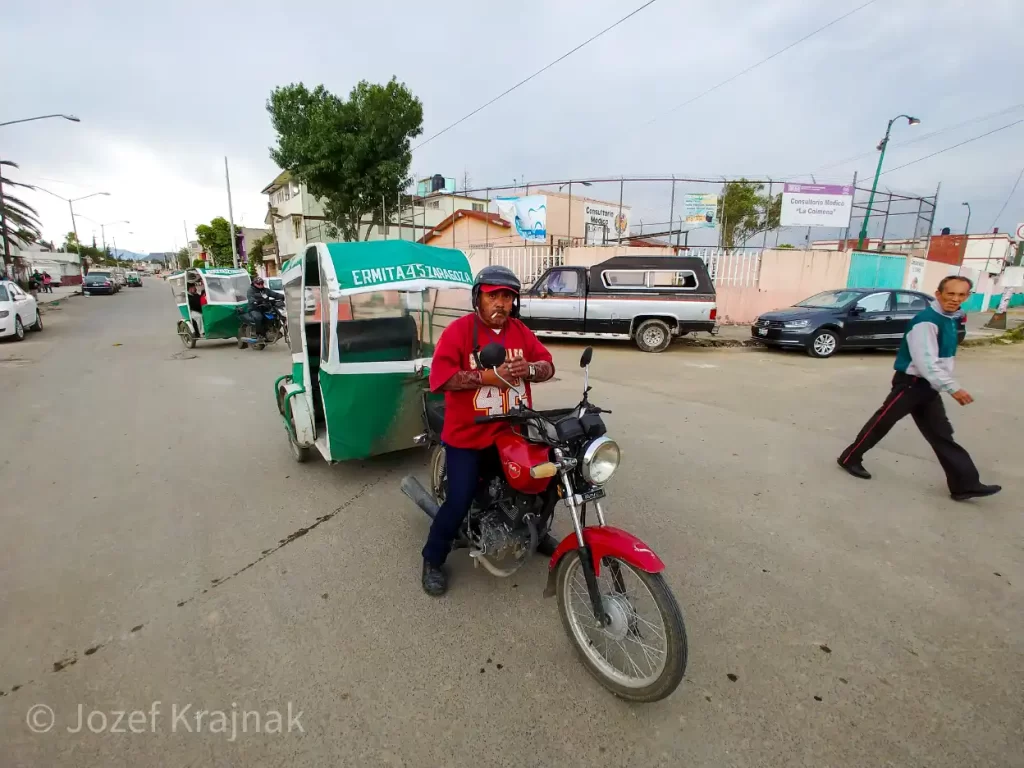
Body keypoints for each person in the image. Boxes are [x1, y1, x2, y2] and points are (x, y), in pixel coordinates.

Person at [421, 265, 556, 596]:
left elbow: (548, 365)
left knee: (542, 480)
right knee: (459, 499)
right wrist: (485, 377)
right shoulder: (459, 332)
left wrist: (533, 369)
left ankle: (535, 531)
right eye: (493, 295)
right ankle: (432, 559)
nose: (501, 304)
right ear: (478, 298)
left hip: (511, 432)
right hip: (468, 435)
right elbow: (440, 378)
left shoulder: (520, 331)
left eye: (507, 297)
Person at [837, 275, 1001, 502]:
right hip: (911, 383)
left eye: (961, 295)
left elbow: (942, 359)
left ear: (967, 296)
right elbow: (925, 362)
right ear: (938, 294)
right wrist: (952, 387)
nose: (955, 299)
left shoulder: (950, 319)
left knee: (942, 435)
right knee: (882, 422)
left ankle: (965, 485)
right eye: (950, 293)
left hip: (929, 386)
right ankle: (850, 458)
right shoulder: (926, 321)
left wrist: (943, 383)